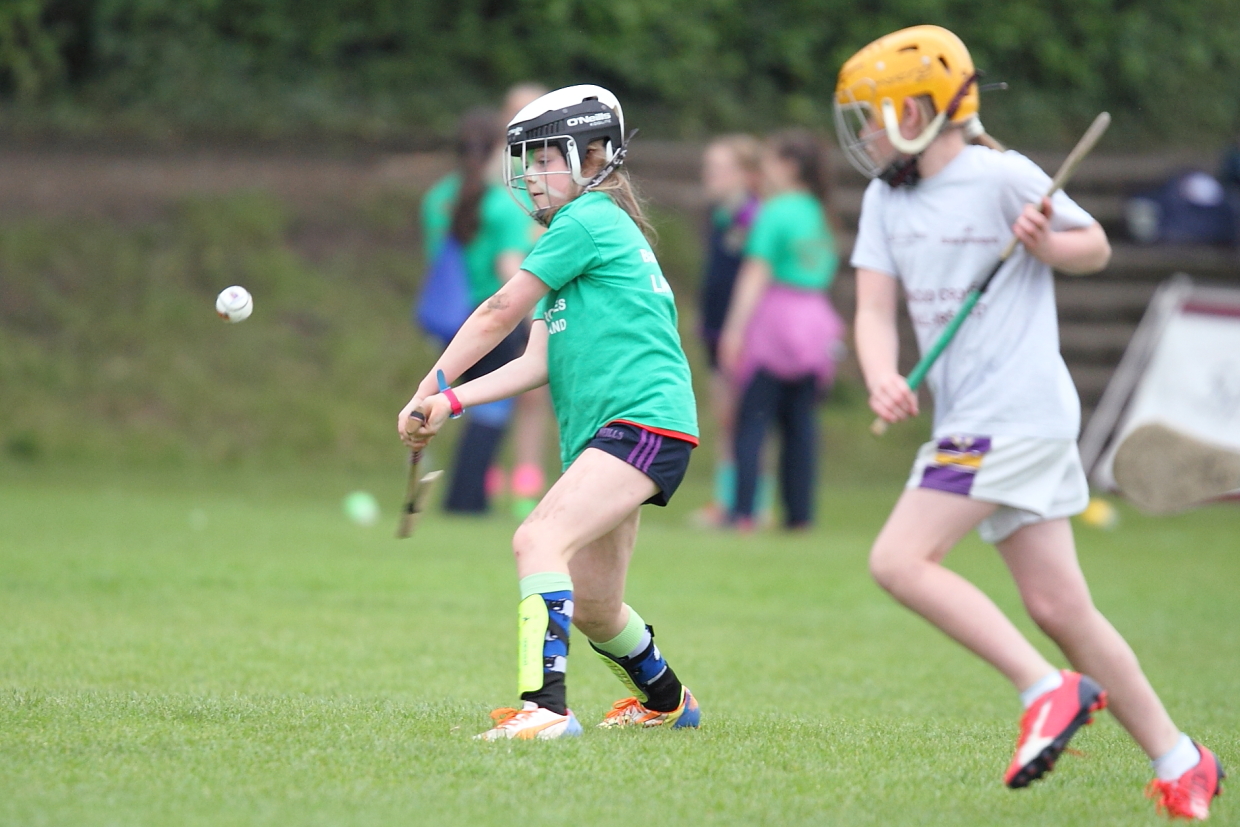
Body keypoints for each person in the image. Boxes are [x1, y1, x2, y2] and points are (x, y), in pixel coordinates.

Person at [838, 25, 1223, 819]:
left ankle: (1045, 689)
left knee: (900, 558)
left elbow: (1095, 246)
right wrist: (882, 376)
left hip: (1011, 413)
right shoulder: (886, 197)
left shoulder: (1001, 174)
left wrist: (1048, 240)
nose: (867, 133)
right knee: (1059, 609)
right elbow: (874, 307)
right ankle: (1183, 760)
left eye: (874, 114)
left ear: (919, 109)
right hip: (975, 418)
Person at [398, 85, 702, 739]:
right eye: (526, 162)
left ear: (596, 156)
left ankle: (547, 708)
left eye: (546, 159)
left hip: (640, 423)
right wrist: (449, 401)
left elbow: (496, 311)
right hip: (616, 431)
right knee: (596, 604)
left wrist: (427, 382)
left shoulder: (587, 221)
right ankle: (668, 701)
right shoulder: (581, 236)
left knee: (536, 539)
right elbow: (536, 359)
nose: (531, 176)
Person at [717, 129, 844, 531]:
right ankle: (799, 515)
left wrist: (733, 330)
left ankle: (743, 512)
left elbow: (756, 273)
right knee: (801, 425)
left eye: (770, 161)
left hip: (776, 320)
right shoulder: (820, 212)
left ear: (789, 166)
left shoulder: (775, 211)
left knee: (753, 418)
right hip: (817, 322)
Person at [420, 107, 540, 514]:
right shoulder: (503, 207)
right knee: (491, 409)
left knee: (465, 402)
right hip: (492, 316)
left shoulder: (437, 198)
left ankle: (465, 497)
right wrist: (533, 319)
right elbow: (509, 268)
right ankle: (467, 501)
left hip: (451, 316)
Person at [693, 135, 765, 526]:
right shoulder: (719, 217)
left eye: (720, 169)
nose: (711, 176)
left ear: (749, 175)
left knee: (745, 418)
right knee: (724, 417)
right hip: (715, 329)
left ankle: (752, 503)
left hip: (746, 335)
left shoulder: (754, 218)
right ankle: (727, 499)